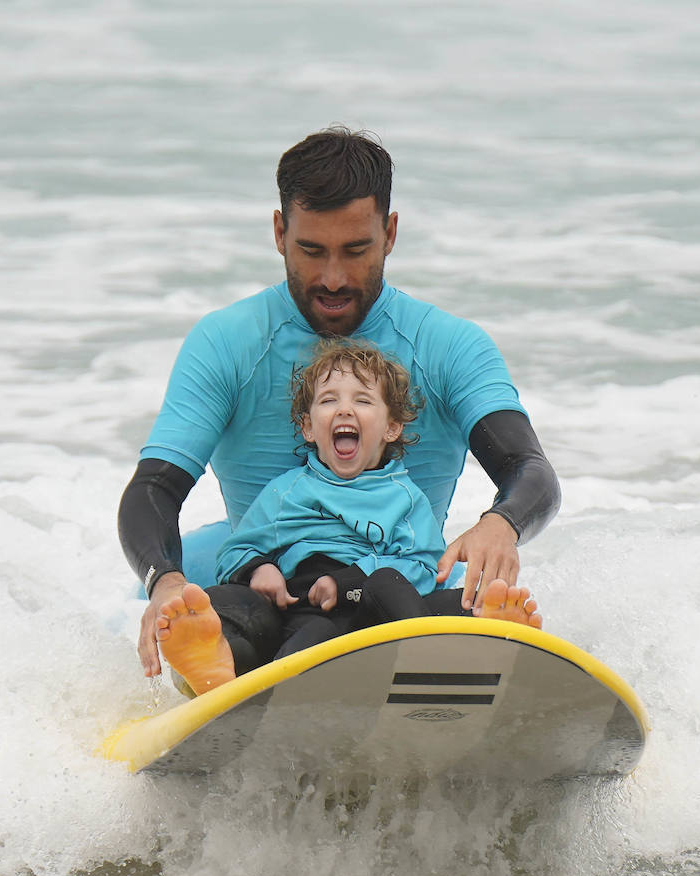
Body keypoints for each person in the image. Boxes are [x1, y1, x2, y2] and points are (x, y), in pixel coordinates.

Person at [118, 126, 560, 679]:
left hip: (393, 582)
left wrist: (504, 522)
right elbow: (154, 489)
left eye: (356, 251)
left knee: (461, 606)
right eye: (310, 250)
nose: (332, 278)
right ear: (279, 233)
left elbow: (531, 471)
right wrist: (165, 579)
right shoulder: (227, 343)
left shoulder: (450, 346)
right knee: (168, 600)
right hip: (266, 581)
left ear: (390, 234)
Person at [156, 338, 542, 694]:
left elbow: (424, 566)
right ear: (308, 427)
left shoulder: (404, 499)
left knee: (421, 590)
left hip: (384, 619)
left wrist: (348, 581)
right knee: (228, 602)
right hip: (303, 612)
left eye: (362, 400)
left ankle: (486, 641)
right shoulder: (286, 491)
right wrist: (258, 570)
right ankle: (216, 668)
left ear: (392, 427)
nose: (344, 409)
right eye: (328, 401)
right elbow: (235, 551)